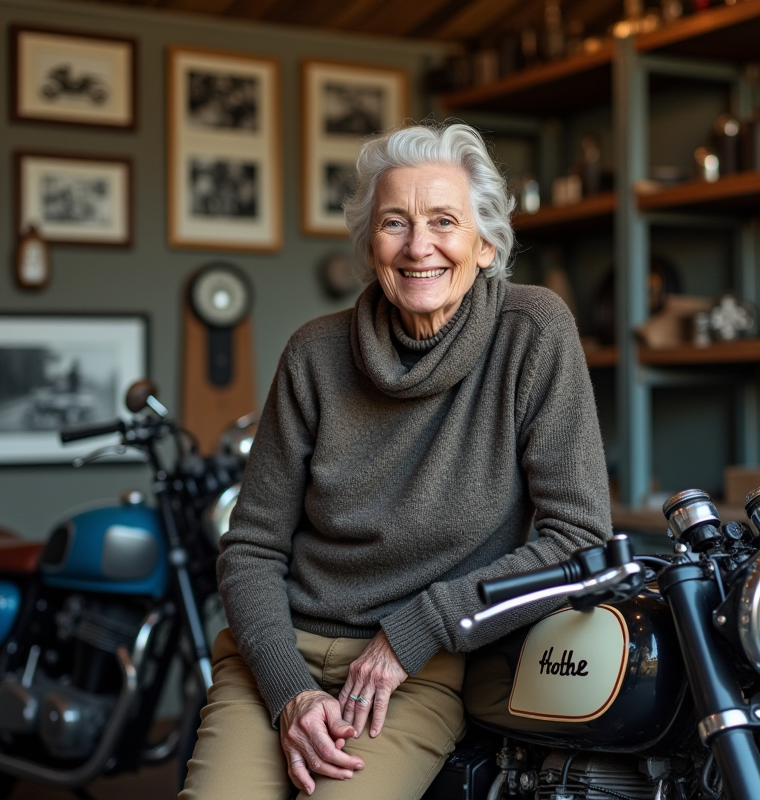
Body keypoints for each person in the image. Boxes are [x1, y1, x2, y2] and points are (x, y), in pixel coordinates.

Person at [180, 121, 612, 800]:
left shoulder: (533, 333)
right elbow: (251, 547)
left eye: (444, 220)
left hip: (415, 671)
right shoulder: (314, 355)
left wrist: (416, 632)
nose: (419, 246)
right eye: (394, 223)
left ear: (485, 243)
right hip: (276, 654)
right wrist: (290, 693)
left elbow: (576, 540)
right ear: (369, 245)